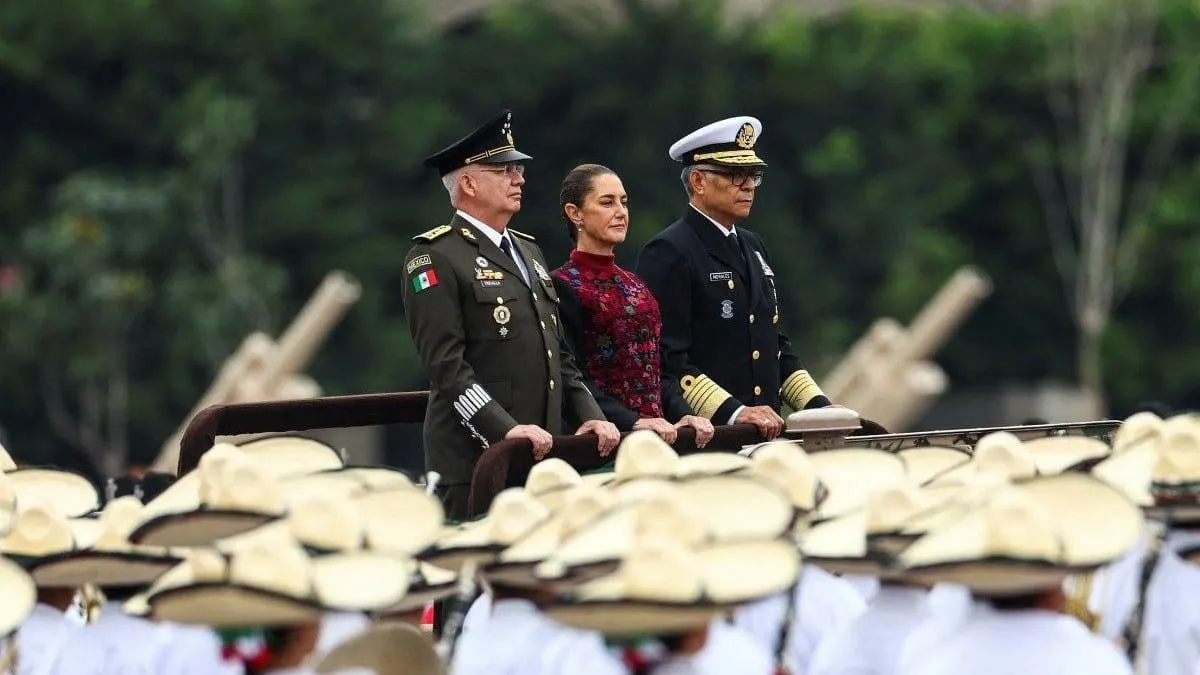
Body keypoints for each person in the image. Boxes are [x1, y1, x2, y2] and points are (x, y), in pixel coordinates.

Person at [402, 109, 619, 521]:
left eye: (517, 170)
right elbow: (448, 368)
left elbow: (559, 357)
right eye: (503, 170)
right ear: (468, 181)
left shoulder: (528, 249)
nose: (519, 179)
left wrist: (591, 418)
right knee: (470, 579)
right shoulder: (434, 256)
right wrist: (503, 430)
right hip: (475, 463)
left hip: (543, 458)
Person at [635, 115, 837, 441]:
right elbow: (665, 359)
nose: (747, 185)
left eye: (752, 175)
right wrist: (735, 412)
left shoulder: (753, 245)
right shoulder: (669, 250)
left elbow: (771, 342)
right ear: (698, 181)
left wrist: (819, 406)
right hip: (709, 436)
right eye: (733, 175)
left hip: (767, 433)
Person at [551, 163, 715, 446]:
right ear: (574, 213)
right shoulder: (561, 285)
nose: (620, 211)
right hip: (605, 442)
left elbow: (658, 369)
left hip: (660, 438)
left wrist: (685, 415)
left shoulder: (636, 285)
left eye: (624, 202)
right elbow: (571, 377)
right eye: (607, 202)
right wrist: (632, 421)